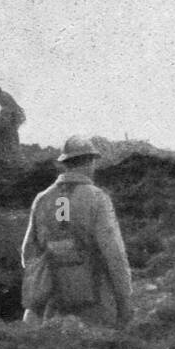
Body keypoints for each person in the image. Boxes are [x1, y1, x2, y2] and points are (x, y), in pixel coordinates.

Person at [21, 135, 132, 329]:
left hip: (53, 303)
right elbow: (114, 255)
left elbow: (27, 252)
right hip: (94, 303)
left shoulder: (43, 199)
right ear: (90, 162)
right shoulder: (97, 198)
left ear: (65, 164)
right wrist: (124, 301)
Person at [0, 81, 26, 155]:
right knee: (7, 132)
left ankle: (7, 151)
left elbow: (10, 109)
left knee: (3, 129)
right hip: (15, 116)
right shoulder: (2, 95)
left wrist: (3, 120)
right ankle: (7, 150)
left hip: (15, 116)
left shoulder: (3, 96)